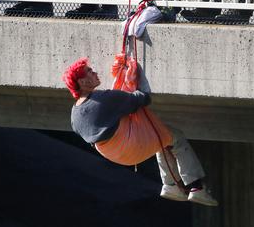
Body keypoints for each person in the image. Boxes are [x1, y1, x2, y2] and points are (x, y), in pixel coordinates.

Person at [63, 57, 218, 206]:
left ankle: (171, 186)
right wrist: (132, 77)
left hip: (115, 156)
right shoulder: (103, 98)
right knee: (175, 137)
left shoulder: (74, 114)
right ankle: (197, 187)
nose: (95, 72)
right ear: (82, 82)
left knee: (161, 140)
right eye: (89, 71)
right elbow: (142, 98)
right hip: (132, 144)